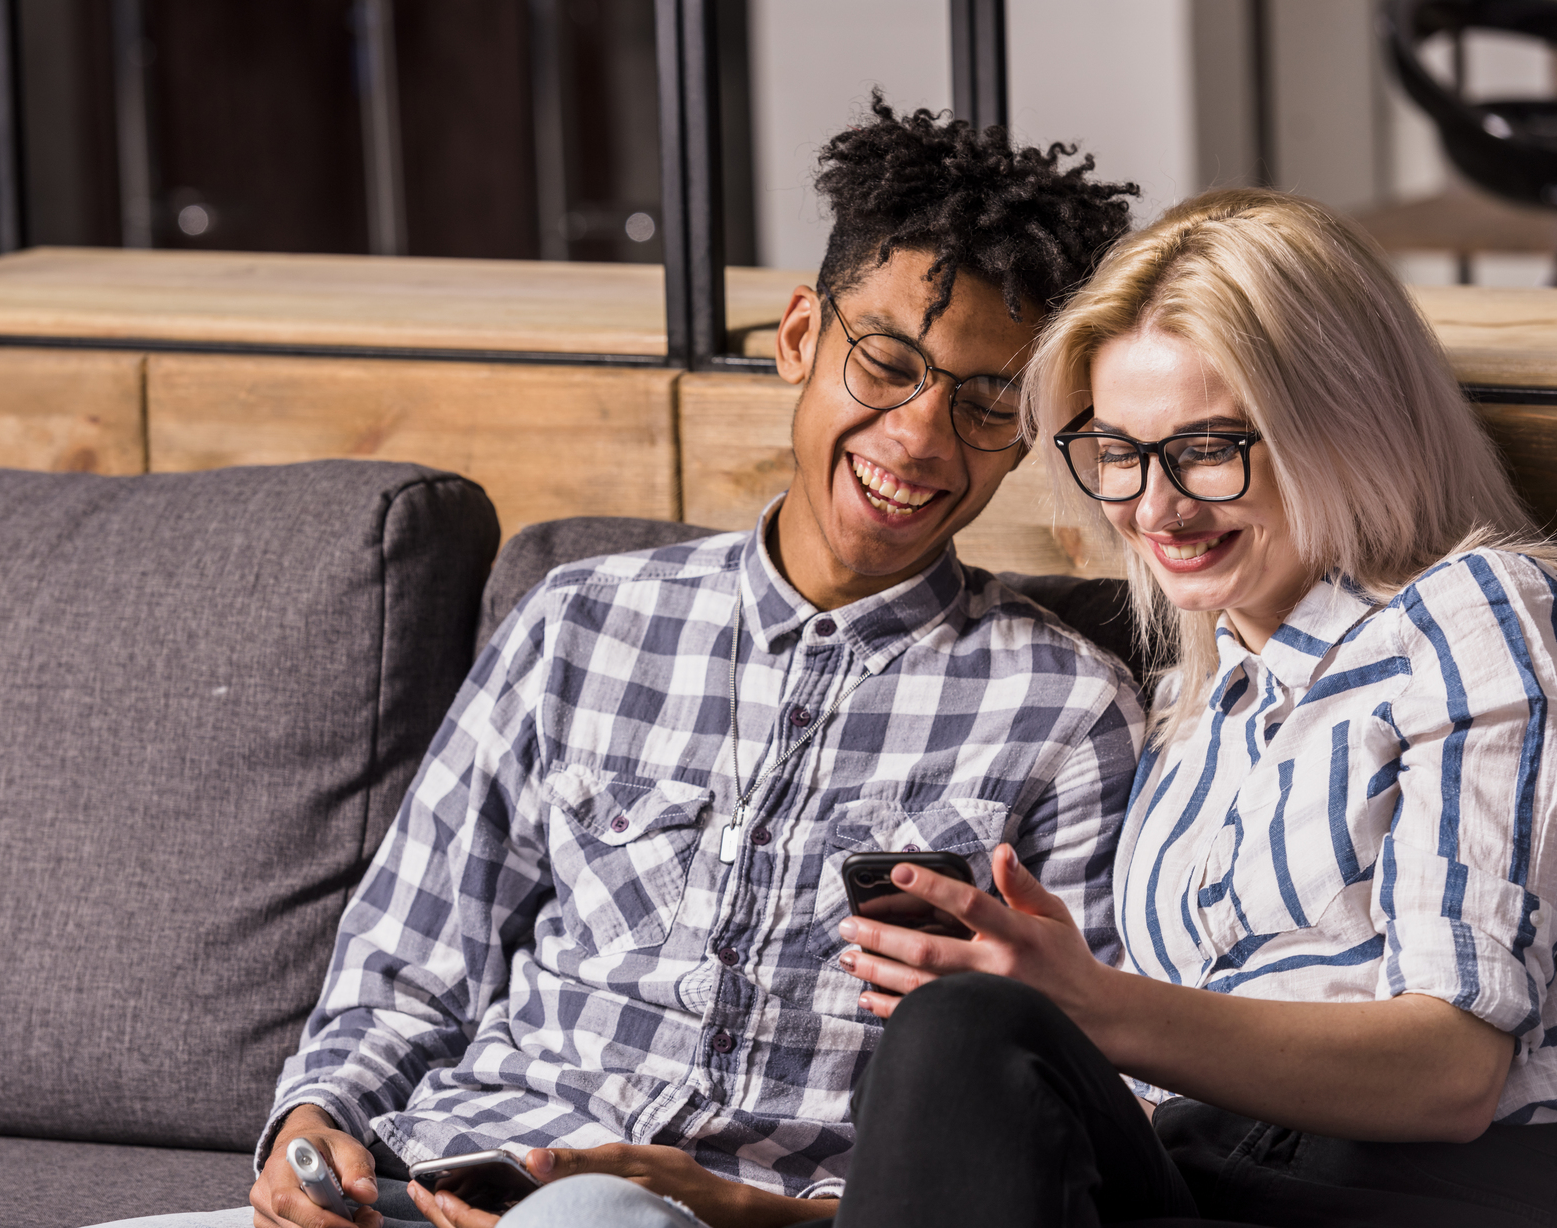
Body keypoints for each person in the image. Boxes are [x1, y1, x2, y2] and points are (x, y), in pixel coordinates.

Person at [85, 99, 1143, 1228]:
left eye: (985, 406)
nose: (921, 437)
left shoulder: (1067, 713)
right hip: (436, 1186)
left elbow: (1079, 1111)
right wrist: (316, 1127)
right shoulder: (579, 622)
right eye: (886, 364)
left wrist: (749, 1208)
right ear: (799, 339)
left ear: (1025, 434)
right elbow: (406, 962)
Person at [810, 188, 1557, 1226]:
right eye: (1117, 452)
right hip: (1203, 1177)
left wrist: (1088, 1004)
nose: (1154, 509)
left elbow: (1452, 1068)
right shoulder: (1198, 706)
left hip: (1428, 1188)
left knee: (972, 1025)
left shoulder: (1479, 617)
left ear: (1346, 426)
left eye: (1206, 448)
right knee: (968, 1030)